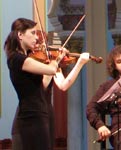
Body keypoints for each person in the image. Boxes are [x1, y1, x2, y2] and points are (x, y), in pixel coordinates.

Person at [4, 18, 90, 150]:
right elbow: (51, 69)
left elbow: (44, 85)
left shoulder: (31, 59)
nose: (36, 38)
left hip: (41, 115)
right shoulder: (16, 58)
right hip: (29, 118)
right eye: (32, 33)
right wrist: (57, 58)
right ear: (20, 35)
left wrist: (77, 63)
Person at [86, 45, 121, 150]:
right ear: (114, 66)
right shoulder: (108, 86)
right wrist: (100, 125)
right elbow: (91, 107)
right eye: (119, 62)